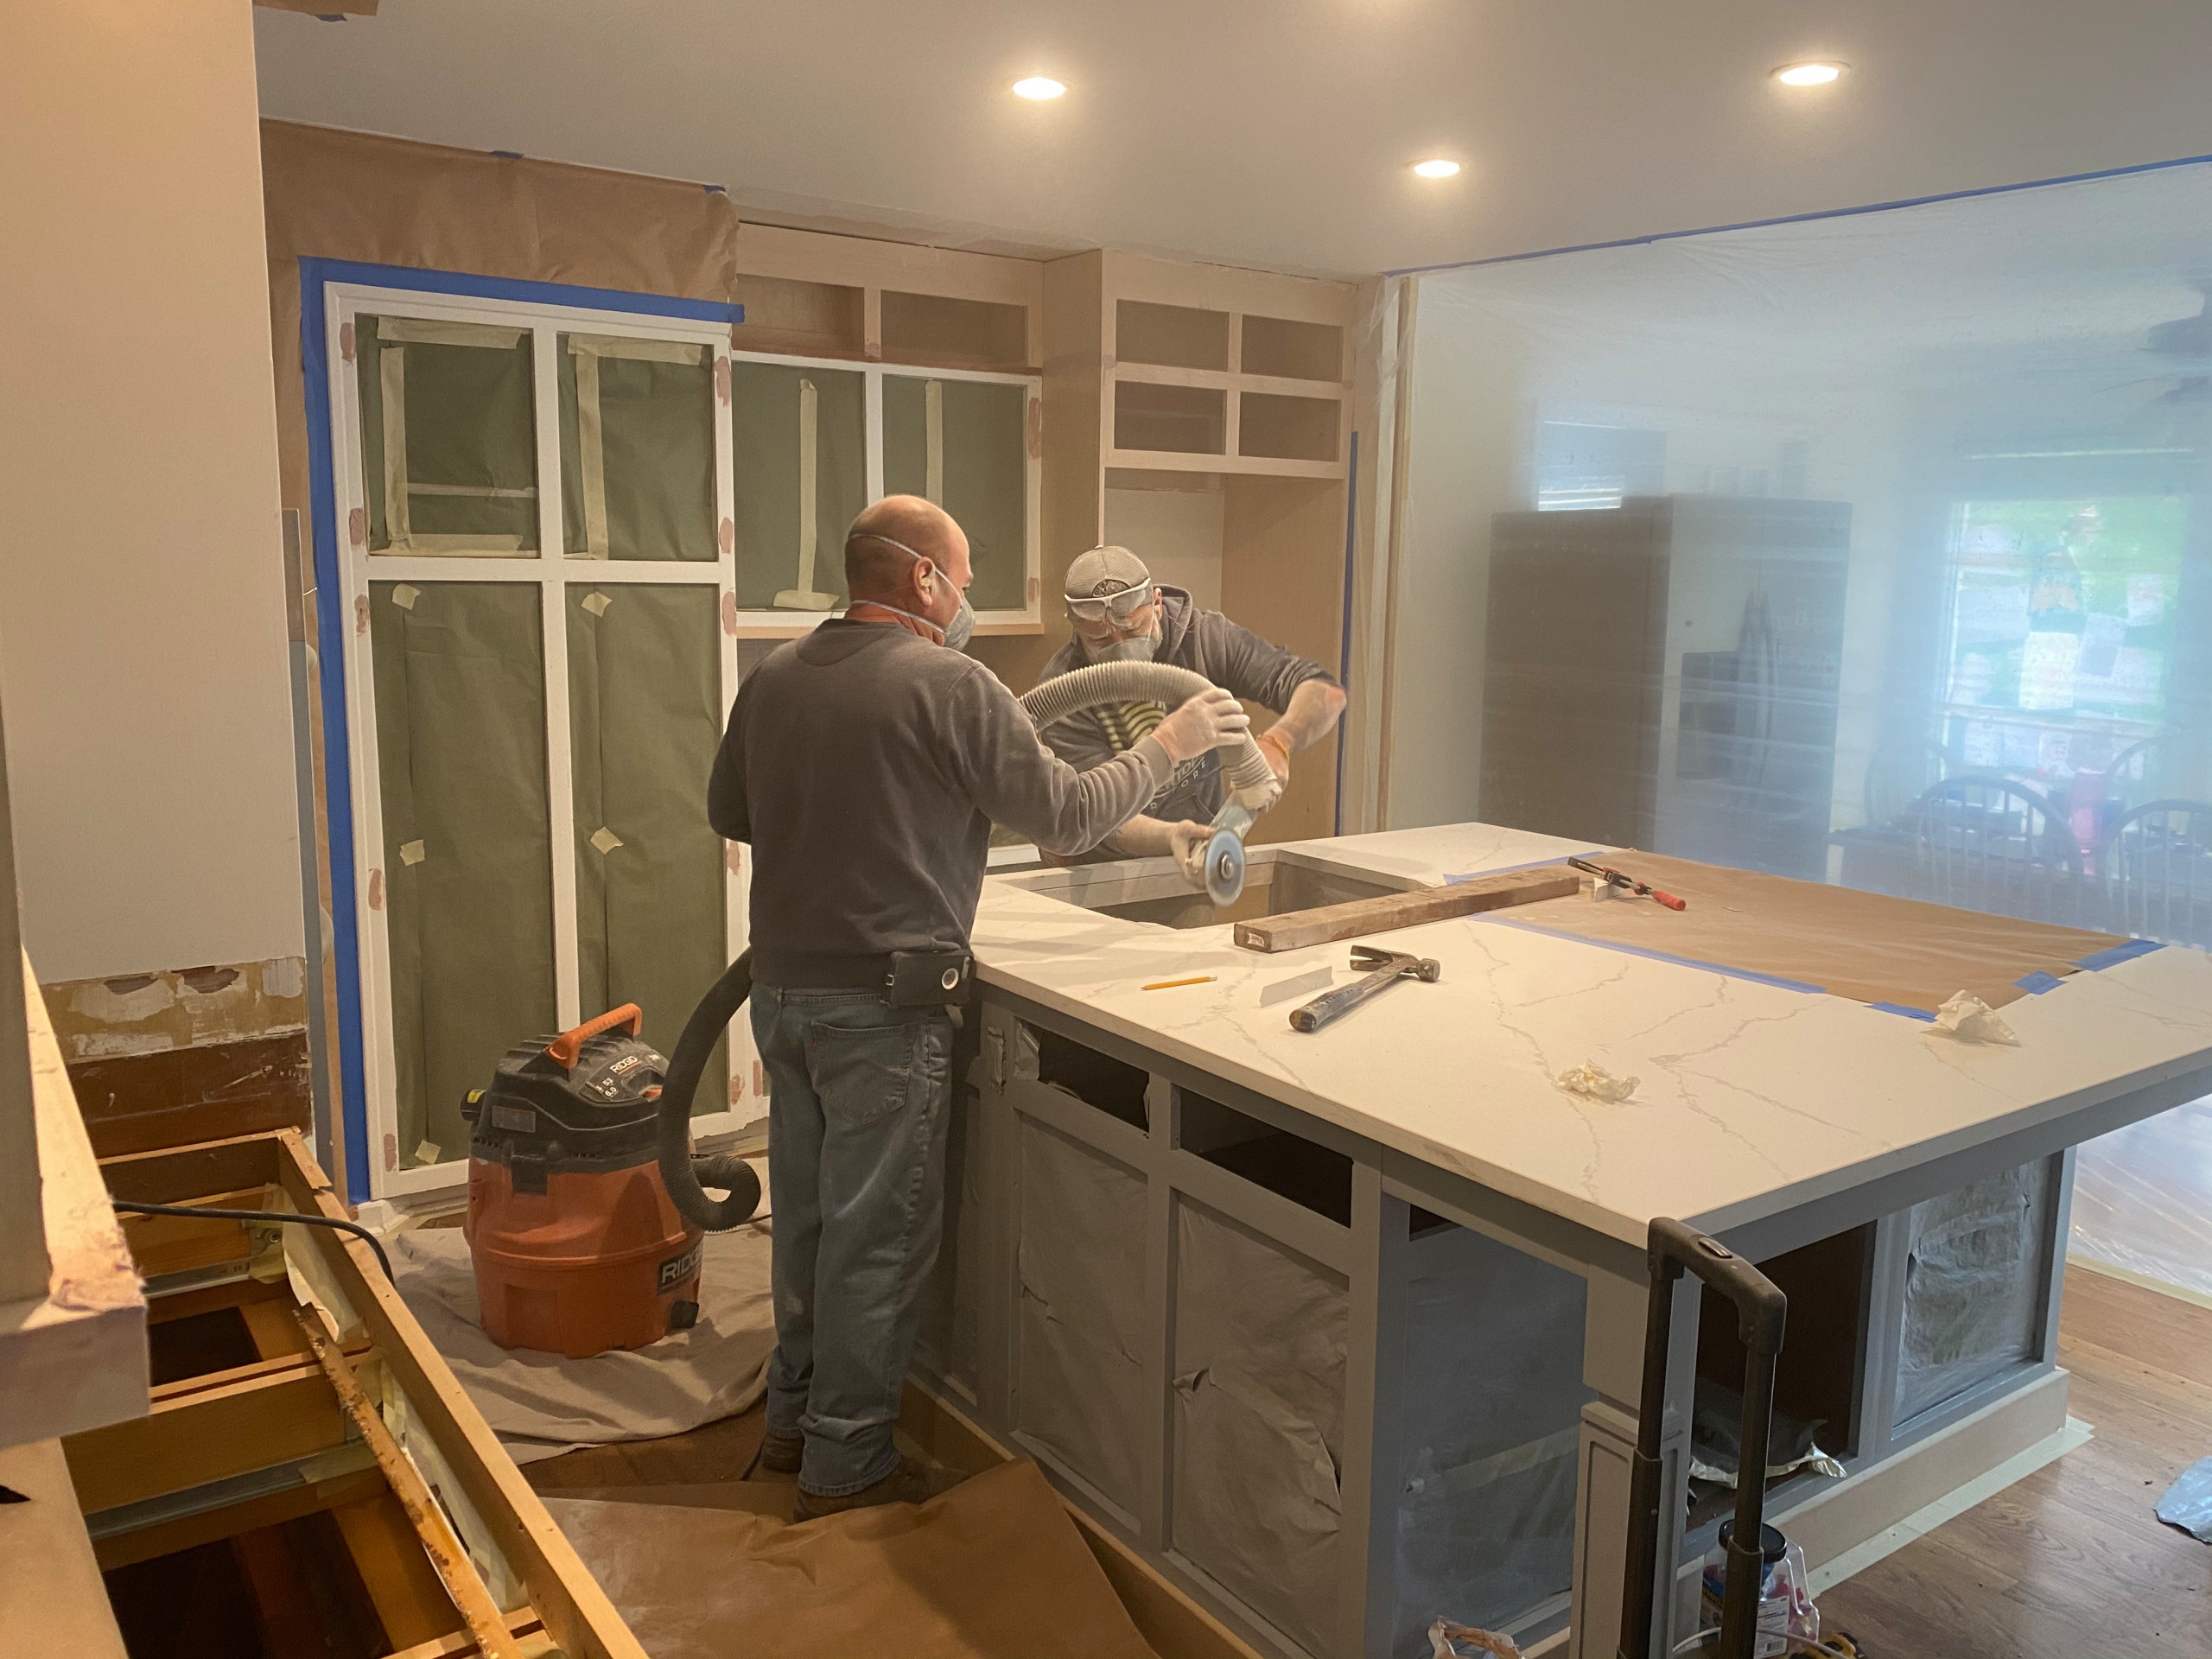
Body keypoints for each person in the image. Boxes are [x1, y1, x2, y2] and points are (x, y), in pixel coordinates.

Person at [705, 496, 1249, 1519]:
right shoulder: (954, 683)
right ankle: (847, 1468)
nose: (965, 598)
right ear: (921, 579)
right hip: (884, 1006)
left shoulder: (775, 674)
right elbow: (1070, 812)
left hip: (782, 997)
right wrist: (1172, 742)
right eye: (960, 578)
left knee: (810, 1225)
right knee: (875, 1239)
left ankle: (792, 1425)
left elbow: (730, 812)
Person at [1035, 545, 1349, 871]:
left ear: (1156, 604)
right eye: (1099, 641)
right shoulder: (1064, 690)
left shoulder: (1204, 640)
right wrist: (1173, 836)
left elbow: (1324, 692)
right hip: (1100, 868)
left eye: (1132, 630)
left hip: (1193, 854)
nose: (1121, 650)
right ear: (1076, 628)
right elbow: (1096, 816)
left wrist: (1279, 743)